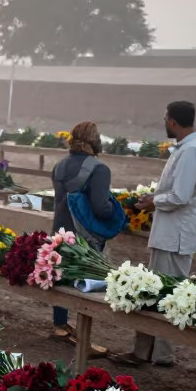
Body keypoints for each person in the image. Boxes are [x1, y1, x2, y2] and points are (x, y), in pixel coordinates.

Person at [122, 101, 196, 367]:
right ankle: (146, 351)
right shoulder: (188, 147)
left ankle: (162, 354)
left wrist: (152, 202)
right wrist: (155, 197)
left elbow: (180, 196)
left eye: (166, 118)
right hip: (173, 231)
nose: (165, 123)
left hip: (176, 234)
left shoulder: (191, 151)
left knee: (166, 293)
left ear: (172, 122)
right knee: (155, 289)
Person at [51, 122, 117, 347]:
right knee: (86, 283)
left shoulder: (59, 166)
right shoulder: (99, 169)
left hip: (60, 231)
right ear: (95, 141)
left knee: (61, 276)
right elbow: (100, 208)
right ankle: (83, 341)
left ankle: (60, 325)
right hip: (85, 236)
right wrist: (117, 210)